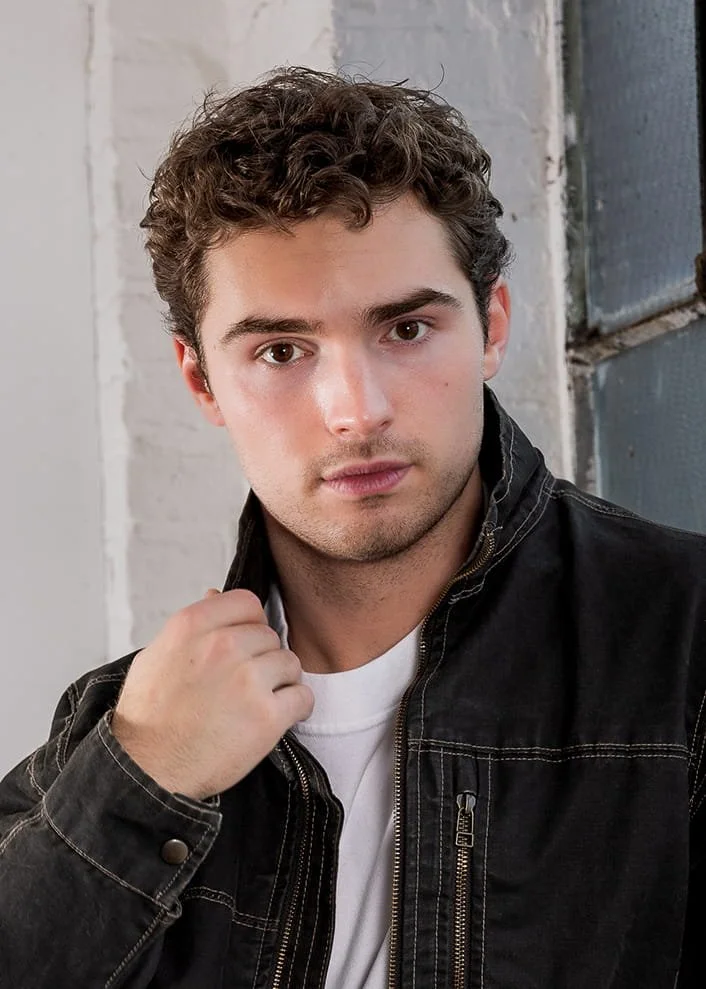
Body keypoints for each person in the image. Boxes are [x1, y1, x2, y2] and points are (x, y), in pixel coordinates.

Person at [0, 65, 704, 989]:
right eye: (281, 351)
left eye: (406, 330)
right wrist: (145, 780)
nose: (355, 410)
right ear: (201, 380)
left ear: (491, 324)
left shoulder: (683, 643)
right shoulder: (121, 733)